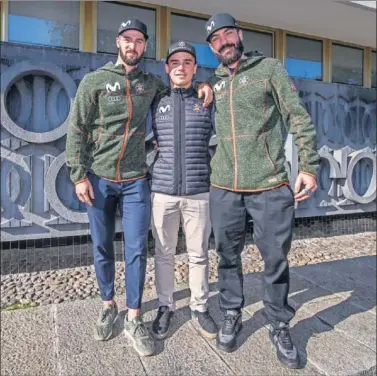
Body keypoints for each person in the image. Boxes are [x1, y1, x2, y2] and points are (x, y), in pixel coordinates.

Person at [66, 18, 212, 357]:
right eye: (127, 39)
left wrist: (207, 84)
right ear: (118, 42)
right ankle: (107, 303)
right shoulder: (96, 81)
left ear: (145, 46)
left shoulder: (151, 84)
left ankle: (133, 316)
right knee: (102, 246)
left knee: (136, 250)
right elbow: (77, 129)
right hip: (100, 180)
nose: (133, 46)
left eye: (139, 41)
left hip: (136, 182)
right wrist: (78, 175)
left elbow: (181, 86)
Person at [204, 13, 319, 368]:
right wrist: (201, 88)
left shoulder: (270, 69)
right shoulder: (215, 80)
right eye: (215, 40)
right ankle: (231, 312)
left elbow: (297, 116)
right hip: (224, 186)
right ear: (211, 48)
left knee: (275, 260)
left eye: (227, 34)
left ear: (239, 34)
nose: (223, 42)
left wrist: (309, 167)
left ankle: (280, 323)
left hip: (269, 186)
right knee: (226, 256)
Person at [149, 41, 217, 341]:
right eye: (174, 61)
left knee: (198, 254)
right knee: (163, 254)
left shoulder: (207, 100)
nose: (180, 66)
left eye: (187, 61)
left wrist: (207, 86)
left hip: (199, 191)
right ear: (167, 68)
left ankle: (200, 307)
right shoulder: (156, 101)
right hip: (162, 191)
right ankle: (165, 305)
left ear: (195, 67)